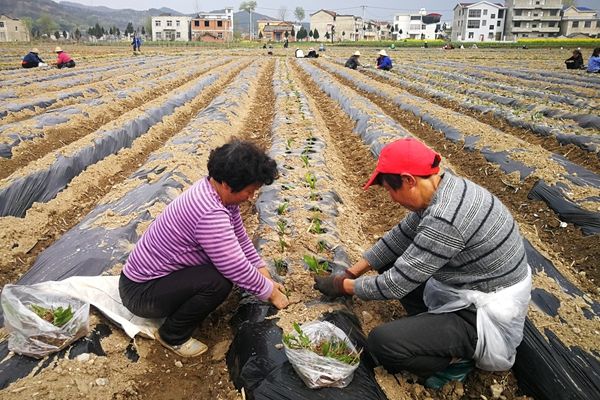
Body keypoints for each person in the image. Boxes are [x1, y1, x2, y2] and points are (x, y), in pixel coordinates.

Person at [314, 138, 531, 389]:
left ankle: (455, 361)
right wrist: (351, 272)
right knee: (394, 259)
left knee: (382, 343)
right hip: (468, 285)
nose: (391, 198)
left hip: (480, 314)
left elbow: (394, 286)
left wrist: (343, 286)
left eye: (390, 189)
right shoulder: (446, 189)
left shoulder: (445, 219)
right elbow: (399, 238)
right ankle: (431, 328)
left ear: (409, 180)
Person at [120, 139, 289, 357]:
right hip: (141, 293)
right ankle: (173, 335)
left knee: (222, 270)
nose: (251, 197)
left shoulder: (217, 194)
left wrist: (262, 271)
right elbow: (234, 266)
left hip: (151, 281)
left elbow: (239, 237)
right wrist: (270, 293)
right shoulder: (209, 212)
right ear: (228, 185)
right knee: (219, 280)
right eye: (249, 191)